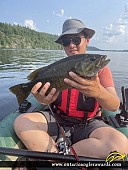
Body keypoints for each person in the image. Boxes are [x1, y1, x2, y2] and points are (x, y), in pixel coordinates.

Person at [14, 19, 128, 161]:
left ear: (87, 40)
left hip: (88, 124)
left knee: (120, 143)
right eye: (66, 42)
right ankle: (58, 159)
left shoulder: (102, 71)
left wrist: (98, 91)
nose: (71, 45)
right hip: (57, 119)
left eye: (76, 40)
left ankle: (59, 159)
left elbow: (114, 105)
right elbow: (45, 98)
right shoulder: (56, 68)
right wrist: (42, 99)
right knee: (21, 122)